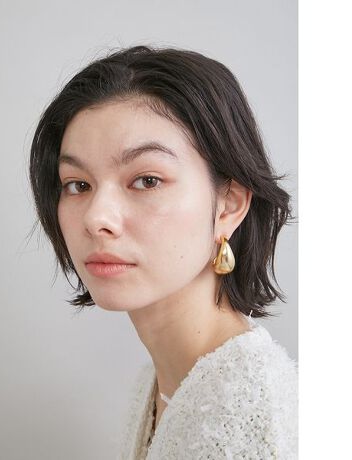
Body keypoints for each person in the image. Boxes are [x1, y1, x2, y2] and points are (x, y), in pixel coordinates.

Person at [28, 45, 298, 459]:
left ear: (228, 205)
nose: (96, 218)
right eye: (78, 184)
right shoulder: (162, 382)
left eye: (147, 180)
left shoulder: (251, 416)